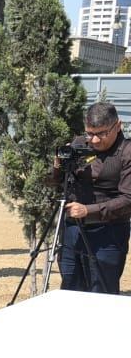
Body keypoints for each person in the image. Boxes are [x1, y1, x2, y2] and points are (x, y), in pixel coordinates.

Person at [52, 102, 130, 294]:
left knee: (101, 292)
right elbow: (56, 182)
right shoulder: (79, 144)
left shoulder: (127, 152)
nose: (94, 140)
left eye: (101, 134)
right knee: (70, 289)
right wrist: (57, 166)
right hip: (72, 229)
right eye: (89, 133)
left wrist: (89, 211)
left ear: (117, 126)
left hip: (108, 233)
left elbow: (128, 198)